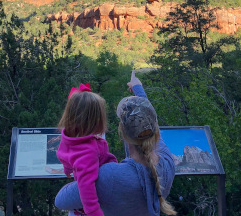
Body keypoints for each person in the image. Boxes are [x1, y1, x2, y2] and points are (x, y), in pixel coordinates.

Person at [55, 72, 176, 216]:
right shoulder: (167, 162)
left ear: (122, 133)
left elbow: (61, 201)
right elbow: (151, 122)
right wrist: (138, 89)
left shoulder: (110, 176)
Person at [56, 83, 118, 216]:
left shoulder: (68, 137)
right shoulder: (88, 151)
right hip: (91, 206)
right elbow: (86, 186)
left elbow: (63, 154)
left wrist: (68, 169)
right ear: (96, 120)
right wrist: (95, 212)